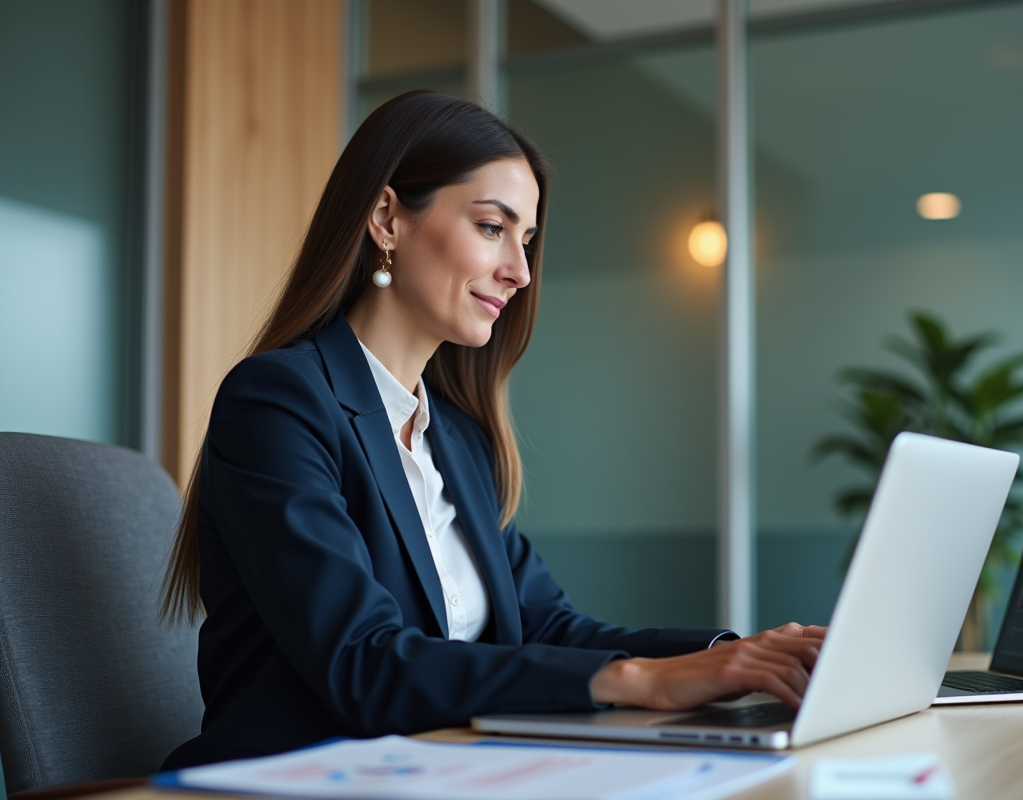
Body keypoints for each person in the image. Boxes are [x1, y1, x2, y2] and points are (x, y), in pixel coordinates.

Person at [159, 90, 826, 769]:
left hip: (449, 770)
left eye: (527, 239)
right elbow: (361, 662)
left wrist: (729, 657)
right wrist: (640, 680)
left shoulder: (456, 438)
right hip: (299, 780)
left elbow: (544, 624)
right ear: (387, 218)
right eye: (491, 228)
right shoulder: (278, 402)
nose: (520, 271)